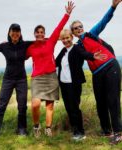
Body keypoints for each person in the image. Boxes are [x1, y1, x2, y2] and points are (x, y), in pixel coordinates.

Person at [70, 0, 122, 144]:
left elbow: (103, 21)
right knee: (101, 103)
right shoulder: (77, 47)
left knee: (113, 100)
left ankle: (118, 132)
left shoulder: (91, 33)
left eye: (80, 26)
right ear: (73, 32)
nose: (79, 28)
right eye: (75, 28)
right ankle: (107, 131)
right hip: (97, 73)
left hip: (110, 67)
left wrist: (112, 7)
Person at [26, 1, 75, 138]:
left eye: (42, 32)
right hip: (37, 78)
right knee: (35, 104)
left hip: (51, 76)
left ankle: (48, 128)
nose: (40, 34)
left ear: (44, 33)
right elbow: (20, 53)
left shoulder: (51, 41)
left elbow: (59, 27)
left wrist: (67, 14)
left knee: (50, 105)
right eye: (38, 32)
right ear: (34, 34)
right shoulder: (30, 47)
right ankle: (36, 126)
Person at [56, 29, 107, 141]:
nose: (65, 40)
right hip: (64, 84)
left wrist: (93, 56)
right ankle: (75, 130)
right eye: (63, 38)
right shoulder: (63, 51)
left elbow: (84, 54)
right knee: (69, 108)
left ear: (71, 37)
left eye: (67, 38)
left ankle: (81, 132)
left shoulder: (76, 48)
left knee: (74, 108)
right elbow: (55, 62)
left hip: (74, 84)